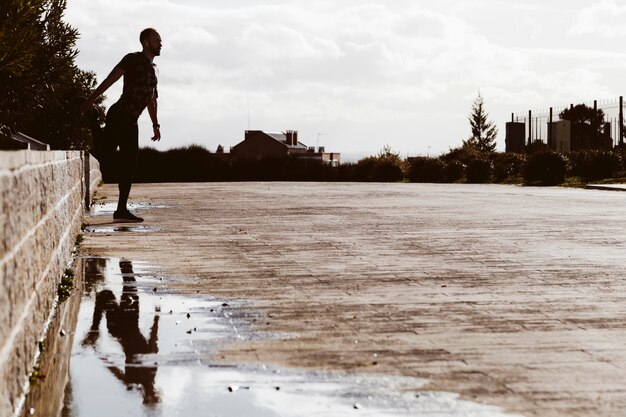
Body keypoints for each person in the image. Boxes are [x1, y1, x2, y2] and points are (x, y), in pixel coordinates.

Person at [82, 28, 162, 222]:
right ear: (145, 42)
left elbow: (152, 100)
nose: (161, 44)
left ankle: (121, 210)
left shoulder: (153, 70)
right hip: (119, 115)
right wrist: (91, 99)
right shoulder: (132, 59)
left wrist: (155, 125)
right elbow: (112, 78)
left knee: (129, 165)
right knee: (103, 153)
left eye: (160, 41)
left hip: (132, 120)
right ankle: (94, 117)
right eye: (157, 40)